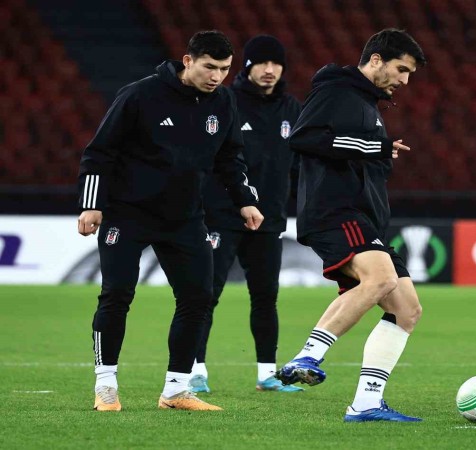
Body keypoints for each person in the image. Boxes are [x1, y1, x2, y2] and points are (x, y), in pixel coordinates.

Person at [77, 30, 263, 412]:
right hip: (127, 213)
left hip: (184, 217)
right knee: (117, 294)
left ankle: (176, 390)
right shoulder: (139, 95)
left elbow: (230, 158)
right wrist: (91, 204)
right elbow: (99, 153)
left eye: (225, 69)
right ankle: (106, 386)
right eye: (209, 67)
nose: (217, 77)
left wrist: (245, 200)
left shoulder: (223, 101)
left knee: (198, 298)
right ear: (188, 60)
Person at [274, 28, 426, 422]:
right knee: (380, 278)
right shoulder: (336, 90)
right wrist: (376, 147)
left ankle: (366, 404)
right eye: (401, 69)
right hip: (336, 211)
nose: (405, 80)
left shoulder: (366, 104)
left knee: (407, 310)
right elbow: (304, 138)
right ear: (375, 60)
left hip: (363, 218)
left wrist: (377, 155)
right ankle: (308, 355)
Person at [189, 35, 303, 394]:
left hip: (269, 219)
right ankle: (194, 370)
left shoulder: (292, 109)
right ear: (248, 66)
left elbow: (302, 161)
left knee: (266, 297)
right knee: (206, 294)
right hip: (221, 216)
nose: (270, 70)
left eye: (276, 63)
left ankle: (267, 374)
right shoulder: (225, 101)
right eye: (262, 63)